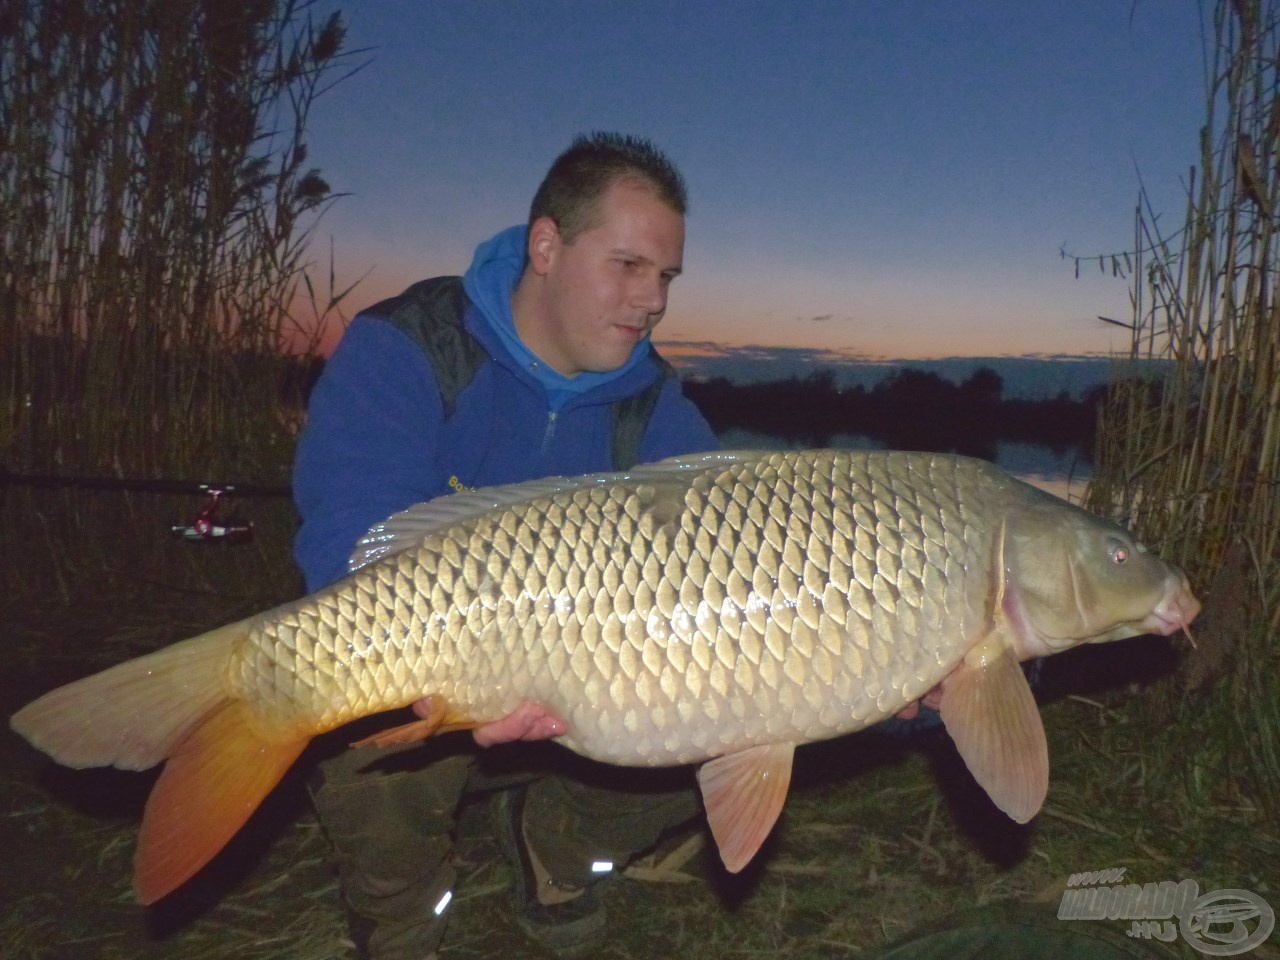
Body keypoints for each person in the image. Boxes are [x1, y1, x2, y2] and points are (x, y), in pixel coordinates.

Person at [291, 132, 719, 960]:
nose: (653, 300)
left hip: (594, 690)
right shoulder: (408, 346)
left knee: (724, 719)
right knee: (353, 722)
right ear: (547, 246)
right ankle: (404, 913)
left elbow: (727, 560)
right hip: (431, 670)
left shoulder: (656, 408)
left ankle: (554, 851)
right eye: (628, 266)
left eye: (665, 277)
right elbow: (349, 546)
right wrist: (484, 672)